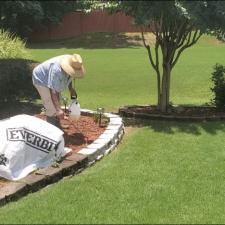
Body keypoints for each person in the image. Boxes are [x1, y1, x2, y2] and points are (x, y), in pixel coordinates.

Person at [32, 54, 85, 128]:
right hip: (41, 79)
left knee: (57, 101)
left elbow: (69, 76)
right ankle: (51, 129)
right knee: (50, 106)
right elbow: (53, 91)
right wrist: (58, 110)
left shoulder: (73, 62)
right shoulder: (56, 71)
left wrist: (71, 89)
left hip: (51, 79)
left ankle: (57, 125)